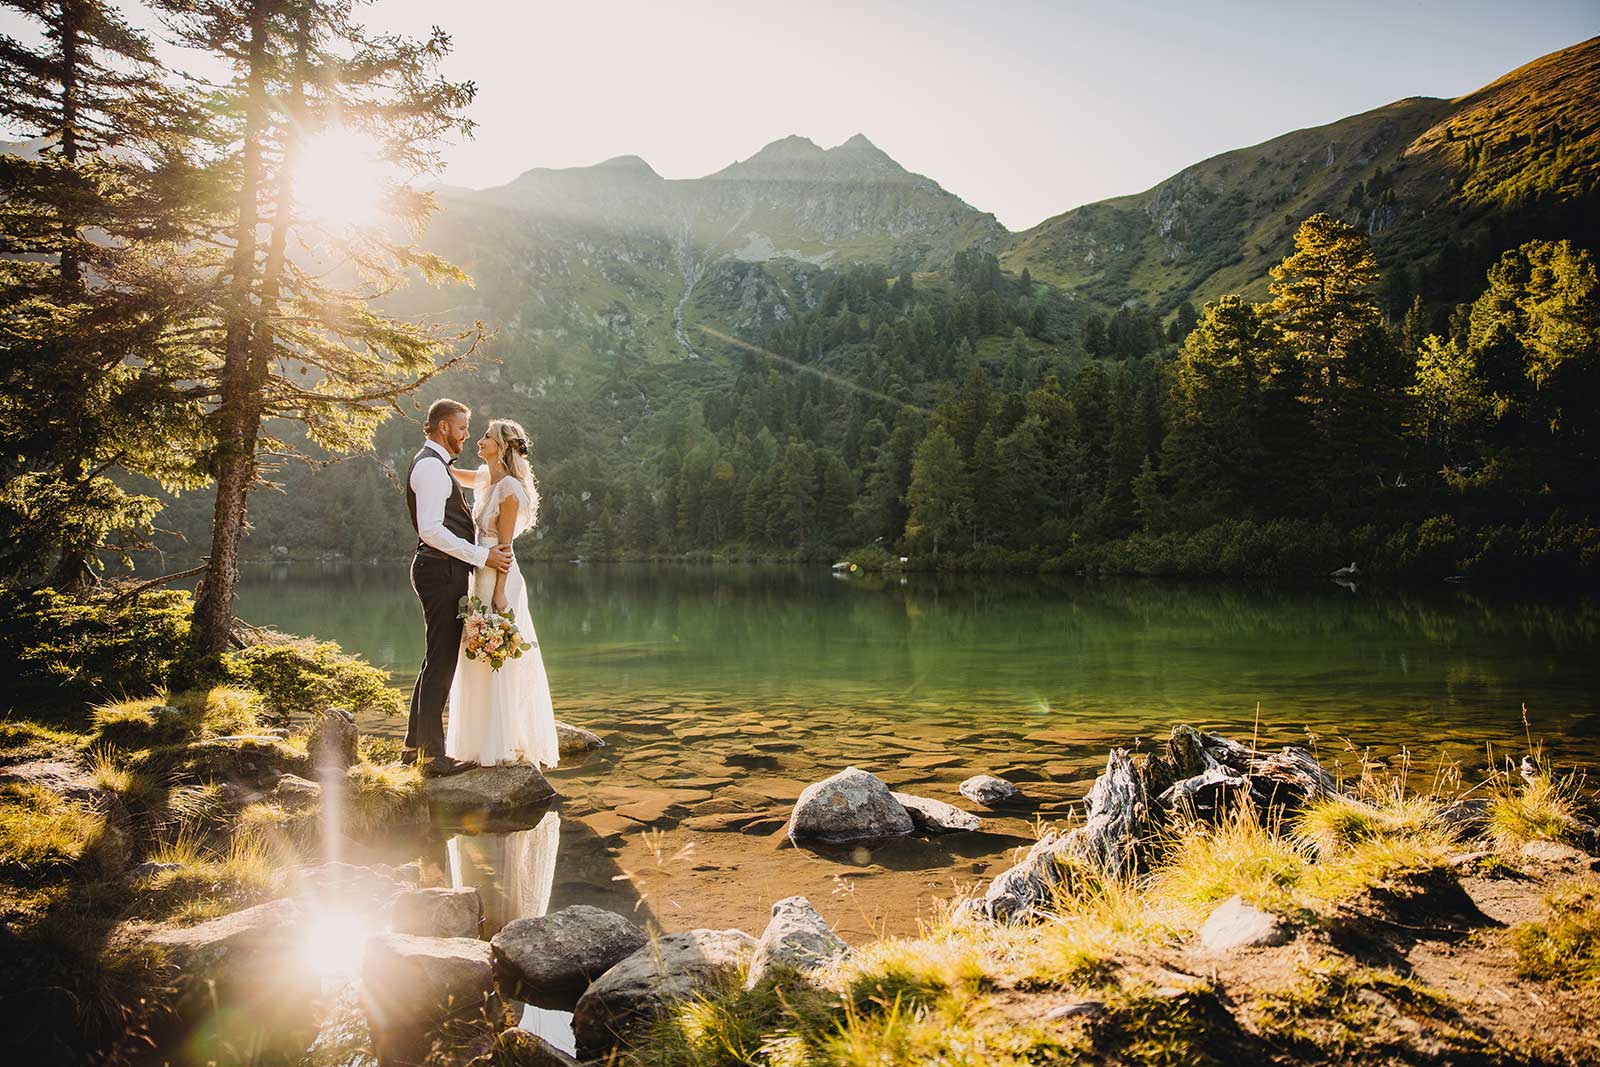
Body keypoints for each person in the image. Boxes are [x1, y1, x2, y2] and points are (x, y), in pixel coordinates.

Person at [403, 398, 513, 777]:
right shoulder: (431, 468)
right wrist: (482, 558)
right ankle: (432, 757)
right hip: (440, 571)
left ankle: (413, 747)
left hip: (444, 571)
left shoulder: (437, 465)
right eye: (463, 428)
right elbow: (431, 530)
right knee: (442, 662)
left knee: (435, 659)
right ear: (444, 427)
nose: (466, 435)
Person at [443, 417, 560, 770]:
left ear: (502, 446)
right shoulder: (486, 478)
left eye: (487, 437)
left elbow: (505, 548)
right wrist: (437, 458)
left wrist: (497, 595)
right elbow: (455, 476)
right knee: (476, 653)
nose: (479, 440)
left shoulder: (509, 489)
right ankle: (475, 742)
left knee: (498, 655)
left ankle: (500, 742)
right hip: (479, 574)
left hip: (499, 579)